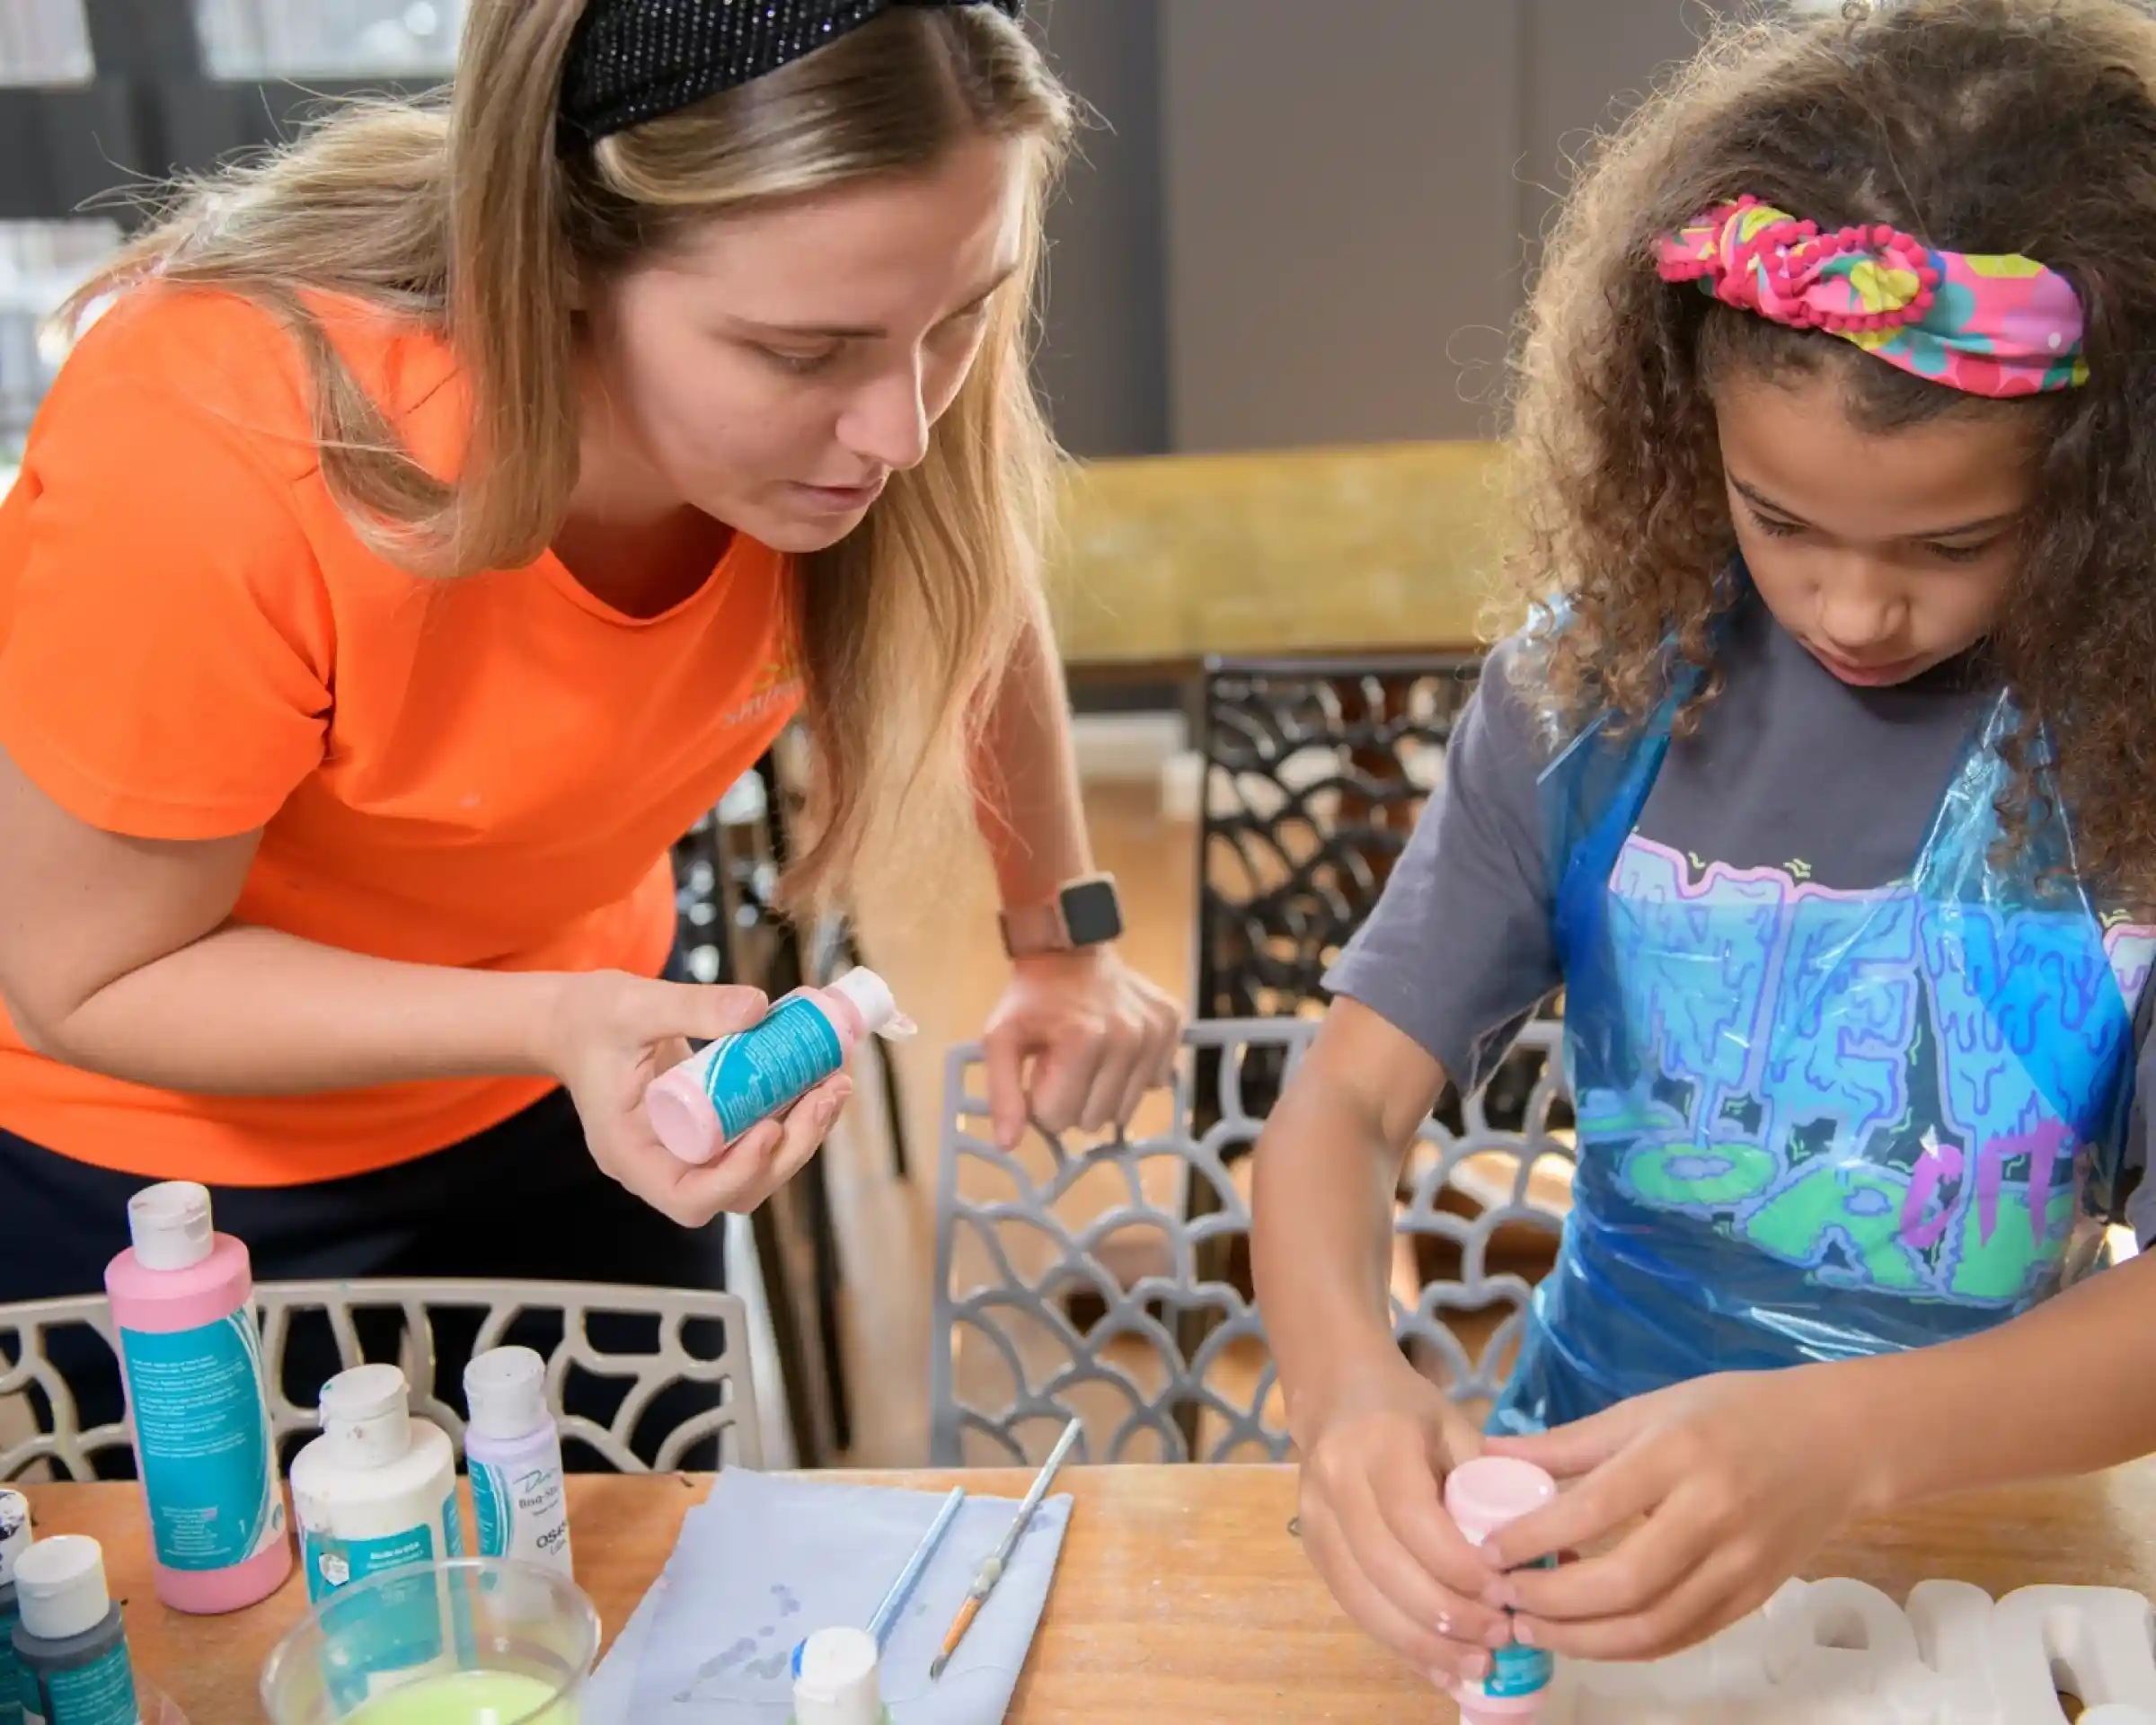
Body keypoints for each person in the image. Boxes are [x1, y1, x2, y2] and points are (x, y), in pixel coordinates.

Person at [0, 0, 1180, 1427]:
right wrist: (556, 1019)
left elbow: (968, 579)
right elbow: (90, 980)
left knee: (634, 1608)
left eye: (961, 321)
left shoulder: (875, 349)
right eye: (801, 356)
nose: (902, 432)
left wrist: (1060, 941)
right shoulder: (222, 441)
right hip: (179, 1191)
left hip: (578, 1085)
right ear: (560, 253)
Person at [1251, 0, 2156, 1692]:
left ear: (2116, 491)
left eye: (1957, 542)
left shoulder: (2137, 765)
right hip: (1581, 1540)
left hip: (1992, 1554)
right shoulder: (1595, 695)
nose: (1854, 605)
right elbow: (1343, 1106)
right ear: (1690, 439)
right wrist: (1349, 1387)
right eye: (1781, 518)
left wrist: (1847, 1445)